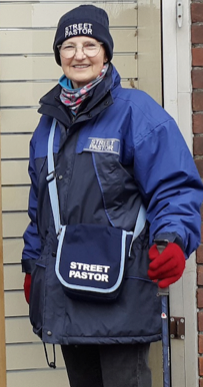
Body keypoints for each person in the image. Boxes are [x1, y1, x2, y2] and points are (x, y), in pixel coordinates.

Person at [21, 5, 203, 386]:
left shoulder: (137, 113)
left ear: (106, 52)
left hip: (123, 293)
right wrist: (31, 264)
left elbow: (175, 187)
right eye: (69, 45)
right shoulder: (48, 124)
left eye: (90, 44)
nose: (79, 54)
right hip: (64, 288)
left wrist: (173, 240)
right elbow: (40, 207)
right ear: (59, 54)